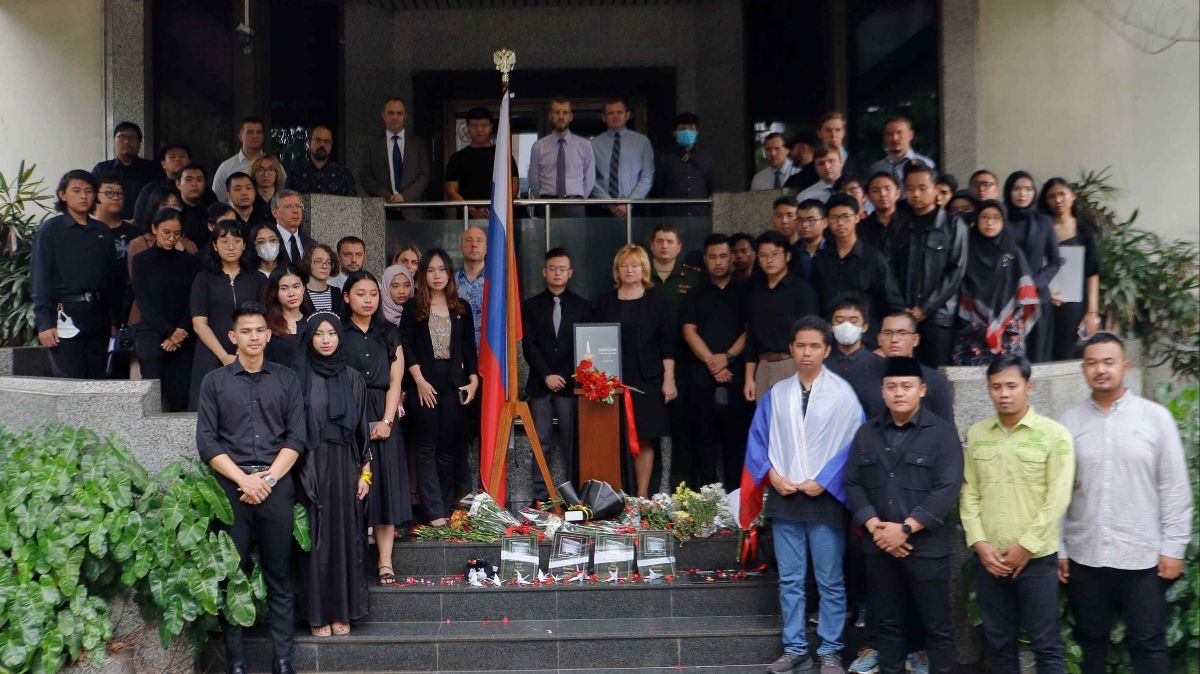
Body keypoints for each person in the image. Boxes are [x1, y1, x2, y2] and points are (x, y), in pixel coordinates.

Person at [1057, 333, 1191, 674]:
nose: (1100, 370)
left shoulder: (1155, 418)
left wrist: (1174, 548)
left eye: (1108, 362)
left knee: (1148, 643)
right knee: (1092, 640)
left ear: (1125, 367)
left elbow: (1174, 487)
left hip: (1142, 556)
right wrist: (1059, 549)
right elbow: (1057, 493)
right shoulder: (1068, 424)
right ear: (1083, 368)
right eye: (1092, 363)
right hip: (1086, 556)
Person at [742, 316, 864, 674]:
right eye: (800, 346)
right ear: (791, 349)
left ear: (827, 350)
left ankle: (830, 649)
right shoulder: (777, 393)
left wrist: (826, 480)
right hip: (785, 496)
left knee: (830, 579)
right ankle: (795, 647)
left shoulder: (843, 394)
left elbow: (854, 445)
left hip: (824, 499)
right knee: (790, 579)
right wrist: (773, 475)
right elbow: (758, 440)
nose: (807, 353)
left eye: (814, 346)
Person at [194, 301, 305, 674]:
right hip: (232, 491)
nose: (254, 336)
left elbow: (297, 436)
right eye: (246, 331)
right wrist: (243, 480)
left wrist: (268, 479)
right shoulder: (215, 382)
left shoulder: (286, 379)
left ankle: (283, 659)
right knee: (233, 574)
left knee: (278, 574)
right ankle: (236, 663)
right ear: (232, 337)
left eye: (260, 330)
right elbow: (207, 442)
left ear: (269, 335)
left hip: (276, 486)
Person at [843, 356, 962, 674]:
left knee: (937, 629)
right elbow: (852, 482)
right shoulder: (866, 433)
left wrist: (906, 529)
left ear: (922, 390)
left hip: (926, 550)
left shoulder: (943, 434)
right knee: (888, 629)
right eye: (892, 387)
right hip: (879, 549)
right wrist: (875, 526)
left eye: (906, 386)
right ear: (882, 391)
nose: (899, 393)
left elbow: (947, 489)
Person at [961, 355, 1073, 674]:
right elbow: (969, 491)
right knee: (999, 646)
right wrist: (980, 543)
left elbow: (1058, 495)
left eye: (1012, 385)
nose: (1004, 393)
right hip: (991, 560)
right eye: (996, 387)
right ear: (988, 390)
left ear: (1029, 387)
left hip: (1037, 559)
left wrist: (1027, 544)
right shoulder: (977, 433)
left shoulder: (1054, 435)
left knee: (1046, 645)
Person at [292, 314, 372, 638]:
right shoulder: (297, 377)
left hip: (344, 465)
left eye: (331, 333)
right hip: (309, 464)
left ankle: (343, 610)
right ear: (309, 338)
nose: (326, 340)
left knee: (345, 539)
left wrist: (365, 473)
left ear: (340, 337)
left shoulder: (353, 377)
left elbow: (362, 430)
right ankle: (316, 613)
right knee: (316, 539)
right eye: (319, 334)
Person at [341, 271, 412, 582]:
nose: (368, 299)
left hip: (382, 410)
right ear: (346, 297)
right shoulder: (337, 333)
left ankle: (385, 562)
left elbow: (396, 380)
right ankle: (354, 562)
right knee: (353, 488)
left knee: (385, 489)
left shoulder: (390, 333)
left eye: (372, 293)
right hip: (347, 412)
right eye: (360, 293)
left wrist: (387, 421)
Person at [399, 252, 479, 524]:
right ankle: (433, 512)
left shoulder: (462, 308)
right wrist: (419, 380)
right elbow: (405, 345)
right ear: (422, 274)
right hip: (423, 380)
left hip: (454, 381)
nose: (436, 275)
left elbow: (469, 347)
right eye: (431, 270)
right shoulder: (413, 308)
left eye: (442, 270)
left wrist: (474, 379)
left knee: (448, 447)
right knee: (426, 446)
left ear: (449, 274)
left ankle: (446, 508)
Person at [593, 244, 677, 498]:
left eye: (635, 265)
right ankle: (614, 495)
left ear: (644, 269)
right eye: (624, 265)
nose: (629, 270)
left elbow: (667, 343)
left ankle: (641, 496)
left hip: (648, 379)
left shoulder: (657, 299)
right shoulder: (605, 301)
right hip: (612, 380)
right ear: (617, 270)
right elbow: (595, 340)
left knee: (644, 438)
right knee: (613, 437)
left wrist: (669, 379)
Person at [31, 170, 122, 379]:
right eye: (77, 190)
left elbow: (113, 278)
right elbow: (40, 278)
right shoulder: (51, 230)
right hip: (65, 313)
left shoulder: (102, 231)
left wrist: (115, 319)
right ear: (62, 194)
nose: (84, 196)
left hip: (99, 315)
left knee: (98, 380)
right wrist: (44, 323)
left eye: (89, 191)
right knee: (71, 381)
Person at [522, 248, 594, 501]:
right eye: (552, 268)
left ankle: (577, 496)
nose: (557, 273)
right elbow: (528, 346)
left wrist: (563, 375)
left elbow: (585, 347)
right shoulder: (530, 306)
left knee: (572, 443)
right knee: (540, 443)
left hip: (570, 385)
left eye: (562, 269)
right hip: (541, 385)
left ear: (570, 273)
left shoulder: (583, 307)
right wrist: (547, 375)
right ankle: (540, 497)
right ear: (544, 271)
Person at [681, 234, 750, 487]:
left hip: (738, 378)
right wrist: (713, 362)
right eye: (713, 257)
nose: (718, 262)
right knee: (703, 444)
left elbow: (750, 329)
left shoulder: (745, 290)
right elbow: (689, 331)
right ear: (705, 259)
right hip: (701, 379)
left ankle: (736, 505)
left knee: (736, 445)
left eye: (723, 256)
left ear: (732, 258)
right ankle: (706, 509)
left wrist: (728, 357)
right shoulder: (695, 293)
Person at [187, 221, 267, 410]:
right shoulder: (203, 279)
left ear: (245, 244)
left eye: (237, 241)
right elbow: (199, 324)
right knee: (208, 412)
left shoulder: (258, 279)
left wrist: (246, 351)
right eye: (224, 241)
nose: (231, 247)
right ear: (214, 245)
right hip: (211, 355)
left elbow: (264, 319)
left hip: (250, 354)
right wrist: (223, 356)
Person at [896, 165, 968, 368]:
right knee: (906, 372)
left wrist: (925, 308)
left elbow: (956, 272)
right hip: (904, 315)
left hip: (938, 317)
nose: (916, 194)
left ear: (936, 189)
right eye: (910, 188)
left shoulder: (953, 224)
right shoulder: (900, 224)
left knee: (937, 374)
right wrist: (900, 306)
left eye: (922, 188)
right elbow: (890, 268)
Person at [952, 200, 1040, 366]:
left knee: (1007, 376)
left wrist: (1004, 323)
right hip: (972, 329)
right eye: (984, 217)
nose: (989, 222)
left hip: (1007, 329)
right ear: (976, 220)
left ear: (1004, 221)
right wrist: (976, 324)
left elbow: (1021, 288)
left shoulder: (1009, 254)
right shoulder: (968, 251)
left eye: (996, 218)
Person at [811, 194, 904, 346]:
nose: (840, 223)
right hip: (830, 341)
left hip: (867, 340)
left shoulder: (873, 258)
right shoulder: (820, 259)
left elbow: (893, 303)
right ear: (827, 221)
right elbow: (815, 302)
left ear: (857, 217)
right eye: (834, 218)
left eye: (846, 216)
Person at [131, 209, 200, 411]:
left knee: (180, 398)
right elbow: (144, 303)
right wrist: (170, 333)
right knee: (152, 400)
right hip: (153, 334)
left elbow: (193, 301)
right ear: (154, 229)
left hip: (184, 336)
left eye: (176, 233)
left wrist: (180, 332)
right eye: (166, 232)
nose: (171, 238)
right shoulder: (141, 260)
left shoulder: (191, 262)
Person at [648, 223, 701, 487]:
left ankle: (683, 489)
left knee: (683, 429)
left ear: (679, 247)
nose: (665, 246)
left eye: (670, 241)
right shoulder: (642, 276)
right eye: (660, 241)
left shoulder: (693, 278)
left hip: (686, 362)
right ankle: (654, 488)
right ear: (652, 245)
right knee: (653, 430)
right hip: (650, 363)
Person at [743, 231, 821, 402]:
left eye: (774, 254)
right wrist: (749, 377)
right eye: (763, 255)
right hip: (763, 366)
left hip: (792, 364)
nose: (769, 260)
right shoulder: (756, 292)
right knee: (766, 424)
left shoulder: (802, 291)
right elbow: (751, 338)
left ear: (787, 256)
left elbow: (813, 334)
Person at [1039, 178, 1102, 359]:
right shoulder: (1041, 228)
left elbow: (1092, 273)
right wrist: (1045, 291)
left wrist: (1092, 312)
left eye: (1062, 194)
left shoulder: (1084, 230)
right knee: (1042, 352)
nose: (1057, 200)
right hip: (1045, 300)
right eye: (1051, 196)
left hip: (1074, 304)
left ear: (1072, 196)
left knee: (1068, 352)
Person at [1003, 171, 1062, 362]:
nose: (1022, 194)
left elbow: (1055, 260)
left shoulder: (1043, 221)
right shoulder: (1001, 220)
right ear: (1008, 191)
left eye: (1028, 189)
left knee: (1037, 357)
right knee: (1009, 358)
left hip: (1037, 298)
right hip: (1006, 297)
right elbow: (996, 256)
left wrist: (1034, 283)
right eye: (1017, 189)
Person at [876, 312, 954, 424]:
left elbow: (946, 428)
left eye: (902, 333)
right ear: (879, 339)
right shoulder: (866, 375)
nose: (894, 339)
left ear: (915, 339)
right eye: (887, 333)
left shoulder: (935, 381)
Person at [360, 97, 431, 219]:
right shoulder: (372, 146)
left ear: (405, 116)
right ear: (383, 116)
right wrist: (388, 197)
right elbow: (366, 176)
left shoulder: (418, 145)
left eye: (399, 113)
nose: (395, 117)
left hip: (412, 212)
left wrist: (404, 197)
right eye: (391, 113)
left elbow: (425, 175)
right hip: (382, 210)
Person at [444, 107, 518, 219]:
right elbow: (450, 191)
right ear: (468, 127)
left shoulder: (504, 156)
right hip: (467, 220)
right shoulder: (457, 158)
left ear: (491, 127)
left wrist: (497, 211)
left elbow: (514, 187)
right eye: (474, 125)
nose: (479, 130)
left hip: (500, 219)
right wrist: (472, 211)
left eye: (484, 125)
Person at [527, 97, 595, 217]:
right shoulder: (539, 146)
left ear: (571, 116)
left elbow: (589, 179)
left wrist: (579, 200)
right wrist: (544, 200)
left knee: (575, 237)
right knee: (545, 236)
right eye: (557, 112)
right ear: (550, 116)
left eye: (565, 112)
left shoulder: (585, 145)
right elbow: (533, 179)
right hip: (547, 204)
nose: (561, 116)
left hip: (575, 204)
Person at [824, 294, 885, 421]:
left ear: (865, 326)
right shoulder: (821, 365)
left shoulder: (881, 366)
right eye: (839, 321)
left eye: (853, 321)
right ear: (830, 326)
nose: (846, 326)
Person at [591, 98, 655, 216]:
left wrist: (628, 203)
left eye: (619, 112)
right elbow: (590, 178)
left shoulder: (642, 142)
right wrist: (609, 203)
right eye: (611, 113)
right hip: (603, 209)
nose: (615, 116)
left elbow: (647, 176)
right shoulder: (593, 144)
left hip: (635, 208)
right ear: (604, 117)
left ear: (627, 115)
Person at [92, 122, 164, 220]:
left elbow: (160, 200)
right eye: (121, 137)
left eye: (132, 137)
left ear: (139, 143)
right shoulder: (101, 169)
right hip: (107, 227)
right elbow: (92, 199)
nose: (126, 141)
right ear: (114, 141)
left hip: (142, 228)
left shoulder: (153, 169)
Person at [213, 116, 285, 204]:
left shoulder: (275, 166)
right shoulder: (226, 167)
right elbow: (218, 201)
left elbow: (283, 195)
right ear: (240, 136)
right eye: (250, 132)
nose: (255, 136)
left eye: (259, 132)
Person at [655, 112, 713, 217]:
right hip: (673, 214)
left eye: (691, 129)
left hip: (699, 213)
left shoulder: (705, 158)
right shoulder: (665, 158)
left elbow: (710, 186)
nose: (687, 132)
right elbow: (658, 188)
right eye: (682, 129)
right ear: (674, 133)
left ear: (697, 132)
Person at [262, 264, 313, 369]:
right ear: (275, 292)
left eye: (296, 287)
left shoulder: (313, 322)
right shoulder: (265, 324)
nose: (291, 293)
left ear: (303, 288)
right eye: (284, 288)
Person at [285, 124, 358, 197]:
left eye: (327, 141)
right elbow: (286, 200)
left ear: (331, 146)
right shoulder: (295, 172)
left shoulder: (343, 173)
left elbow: (352, 203)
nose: (322, 144)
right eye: (318, 140)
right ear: (309, 143)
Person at [132, 142, 192, 228]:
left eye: (182, 156)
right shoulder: (150, 189)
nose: (178, 159)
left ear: (189, 162)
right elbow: (139, 220)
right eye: (172, 157)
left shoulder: (200, 190)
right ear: (163, 163)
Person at [868, 116, 936, 185]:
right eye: (889, 134)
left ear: (911, 135)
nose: (895, 138)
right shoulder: (876, 168)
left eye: (899, 133)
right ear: (884, 137)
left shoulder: (926, 164)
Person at [860, 172, 911, 255]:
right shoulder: (862, 228)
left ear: (897, 193)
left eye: (887, 189)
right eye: (875, 190)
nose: (882, 194)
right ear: (868, 197)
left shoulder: (910, 223)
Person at [456, 226, 487, 355]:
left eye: (479, 240)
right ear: (460, 247)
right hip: (459, 355)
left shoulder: (498, 283)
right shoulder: (450, 282)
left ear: (486, 247)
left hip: (491, 357)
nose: (474, 245)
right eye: (468, 240)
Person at [271, 190, 315, 266]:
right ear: (275, 213)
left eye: (299, 206)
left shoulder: (312, 244)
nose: (296, 211)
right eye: (289, 206)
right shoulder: (267, 241)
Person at [176, 163, 216, 248]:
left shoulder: (212, 209)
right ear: (178, 183)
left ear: (205, 184)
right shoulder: (172, 210)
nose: (194, 184)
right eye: (188, 180)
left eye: (199, 180)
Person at [792, 199, 830, 283]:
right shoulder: (791, 252)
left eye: (811, 220)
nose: (804, 225)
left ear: (825, 223)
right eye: (800, 220)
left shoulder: (835, 249)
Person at [300, 243, 344, 316]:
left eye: (328, 262)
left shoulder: (338, 293)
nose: (324, 266)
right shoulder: (300, 293)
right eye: (318, 261)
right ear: (307, 263)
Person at [250, 154, 285, 218]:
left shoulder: (285, 201)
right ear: (254, 173)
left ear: (277, 173)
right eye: (260, 170)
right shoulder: (249, 202)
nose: (266, 174)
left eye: (271, 170)